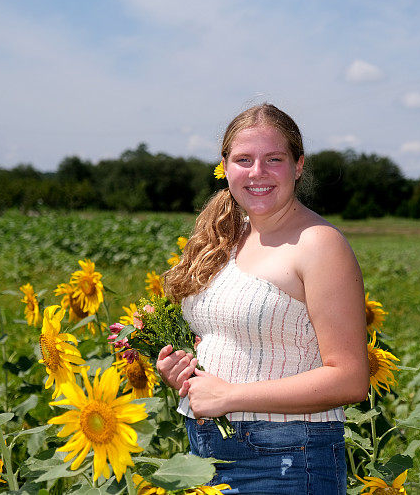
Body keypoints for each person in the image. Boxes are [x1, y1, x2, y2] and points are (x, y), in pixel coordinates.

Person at [157, 103, 369, 494]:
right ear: (225, 167)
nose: (257, 173)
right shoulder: (225, 238)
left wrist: (231, 396)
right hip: (204, 451)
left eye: (274, 159)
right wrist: (182, 374)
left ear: (298, 165)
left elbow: (351, 379)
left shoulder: (319, 245)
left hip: (285, 458)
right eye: (244, 159)